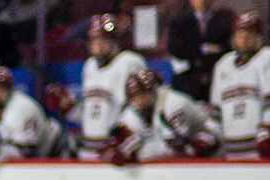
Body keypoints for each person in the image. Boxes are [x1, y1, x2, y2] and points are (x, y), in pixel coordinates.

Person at [103, 66, 220, 162]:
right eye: (134, 97)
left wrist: (136, 153)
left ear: (154, 90)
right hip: (182, 141)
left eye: (143, 94)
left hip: (211, 132)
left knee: (190, 151)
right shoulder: (133, 110)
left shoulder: (172, 103)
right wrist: (120, 148)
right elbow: (123, 139)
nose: (139, 101)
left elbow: (173, 149)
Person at [78, 14, 146, 156]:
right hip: (88, 148)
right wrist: (69, 106)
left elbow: (142, 106)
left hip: (119, 148)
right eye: (94, 40)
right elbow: (91, 112)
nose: (98, 45)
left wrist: (125, 138)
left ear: (115, 41)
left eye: (104, 40)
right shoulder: (89, 66)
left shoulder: (129, 62)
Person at [210, 12, 270, 159]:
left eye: (249, 34)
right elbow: (216, 111)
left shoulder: (266, 58)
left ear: (259, 37)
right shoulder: (222, 66)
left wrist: (266, 132)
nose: (244, 39)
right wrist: (207, 137)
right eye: (240, 34)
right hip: (231, 149)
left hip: (259, 150)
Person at [0, 66, 55, 160]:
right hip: (10, 159)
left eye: (0, 87)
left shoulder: (23, 106)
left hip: (51, 153)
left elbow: (27, 150)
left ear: (9, 89)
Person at [167, 0, 235, 102]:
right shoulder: (179, 24)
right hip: (187, 83)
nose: (202, 1)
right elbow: (175, 49)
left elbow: (227, 51)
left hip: (215, 81)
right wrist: (203, 49)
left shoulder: (225, 23)